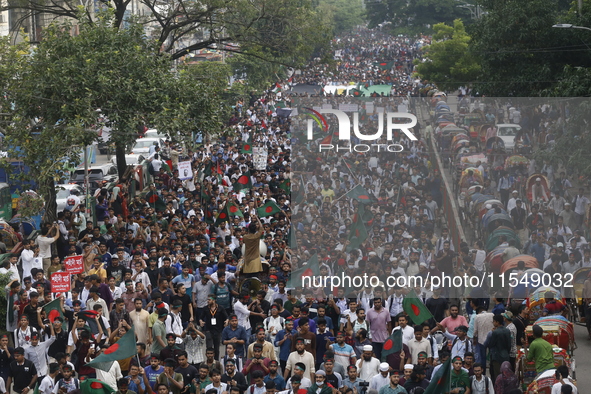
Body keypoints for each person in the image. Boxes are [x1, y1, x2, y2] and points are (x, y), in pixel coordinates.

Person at [486, 315, 511, 381]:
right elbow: (509, 345)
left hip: (496, 356)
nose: (493, 323)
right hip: (505, 355)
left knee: (497, 375)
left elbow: (491, 344)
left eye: (494, 321)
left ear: (497, 322)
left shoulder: (495, 332)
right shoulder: (507, 331)